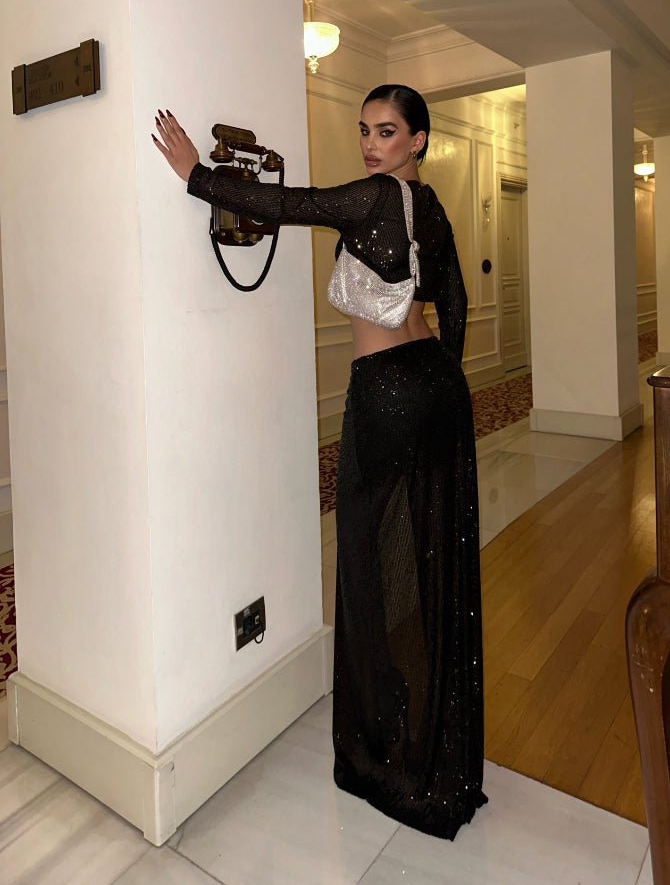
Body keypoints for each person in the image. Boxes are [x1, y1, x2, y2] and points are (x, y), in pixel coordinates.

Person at [153, 84, 487, 840]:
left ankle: (385, 753)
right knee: (427, 562)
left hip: (387, 393)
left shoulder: (373, 198)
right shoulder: (430, 208)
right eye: (365, 129)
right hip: (438, 386)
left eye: (387, 131)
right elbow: (458, 299)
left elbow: (286, 205)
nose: (371, 143)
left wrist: (195, 174)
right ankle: (432, 746)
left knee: (371, 564)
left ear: (417, 140)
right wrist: (446, 382)